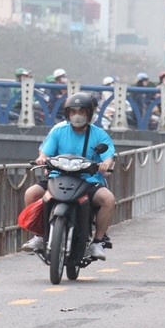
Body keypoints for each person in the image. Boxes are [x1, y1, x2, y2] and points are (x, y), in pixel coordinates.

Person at [21, 92, 117, 261]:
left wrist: (105, 165)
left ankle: (98, 242)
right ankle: (39, 235)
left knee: (108, 200)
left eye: (82, 111)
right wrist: (42, 158)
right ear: (67, 113)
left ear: (89, 114)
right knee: (31, 193)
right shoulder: (58, 131)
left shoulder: (99, 134)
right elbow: (45, 151)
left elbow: (109, 155)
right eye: (73, 111)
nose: (77, 115)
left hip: (89, 180)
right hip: (57, 176)